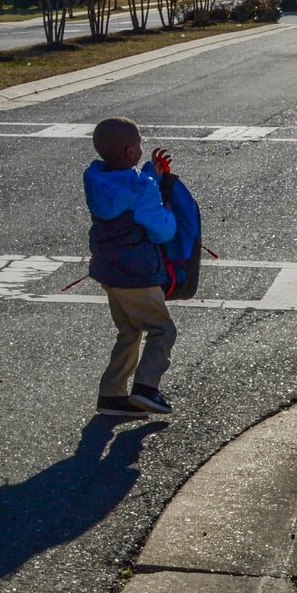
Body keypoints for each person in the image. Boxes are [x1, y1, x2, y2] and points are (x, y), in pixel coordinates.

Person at [84, 117, 178, 418]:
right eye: (138, 145)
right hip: (138, 273)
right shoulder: (141, 189)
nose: (140, 150)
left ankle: (111, 394)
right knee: (162, 330)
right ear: (129, 152)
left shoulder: (96, 178)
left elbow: (127, 189)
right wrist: (169, 210)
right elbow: (163, 230)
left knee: (129, 330)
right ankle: (146, 387)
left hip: (108, 270)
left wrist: (150, 173)